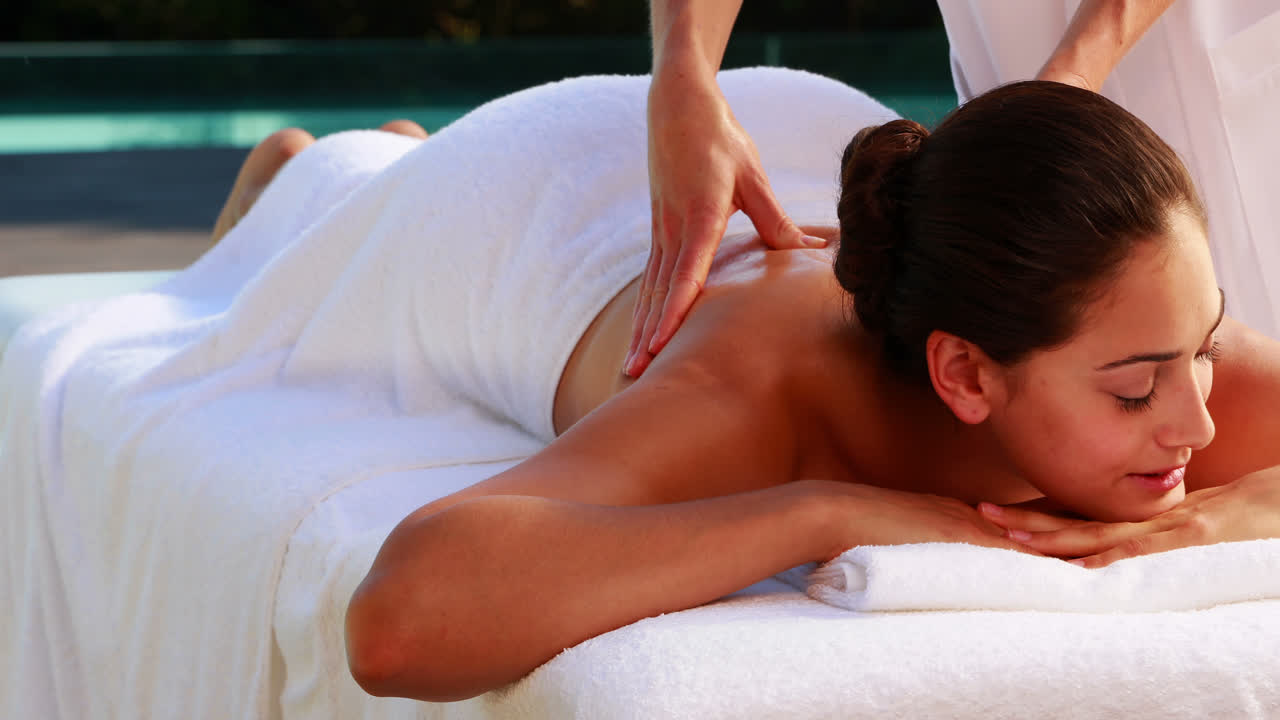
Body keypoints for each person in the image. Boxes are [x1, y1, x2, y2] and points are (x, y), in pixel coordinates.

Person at [224, 69, 1280, 703]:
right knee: (334, 212)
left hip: (828, 152)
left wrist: (1216, 518)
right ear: (961, 374)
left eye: (1200, 344)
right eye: (1136, 392)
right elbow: (399, 623)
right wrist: (819, 512)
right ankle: (313, 174)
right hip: (543, 208)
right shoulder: (758, 392)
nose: (1194, 415)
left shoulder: (1121, 316)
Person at [631, 0, 1280, 376]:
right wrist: (682, 73)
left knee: (1200, 368)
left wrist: (1072, 76)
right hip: (1019, 82)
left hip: (1206, 50)